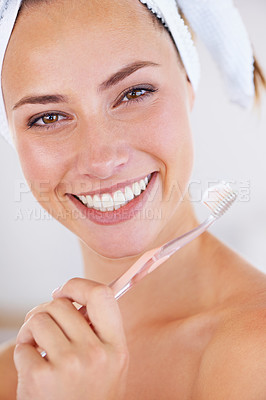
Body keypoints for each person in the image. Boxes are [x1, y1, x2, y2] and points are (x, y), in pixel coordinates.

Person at [0, 0, 266, 399]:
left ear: (189, 86)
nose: (100, 160)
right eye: (48, 117)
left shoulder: (256, 352)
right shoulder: (17, 373)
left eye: (134, 93)